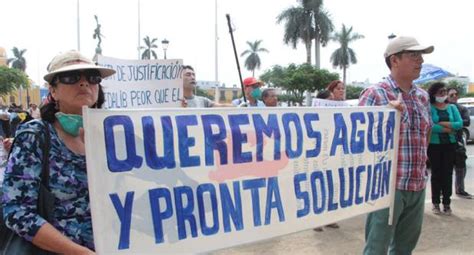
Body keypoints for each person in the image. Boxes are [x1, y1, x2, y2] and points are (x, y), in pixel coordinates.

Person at [2, 50, 115, 254]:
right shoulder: (35, 135)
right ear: (53, 91)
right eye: (70, 77)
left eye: (92, 77)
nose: (84, 83)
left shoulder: (114, 137)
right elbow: (17, 211)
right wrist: (79, 252)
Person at [358, 36, 434, 254]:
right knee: (376, 247)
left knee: (404, 248)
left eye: (421, 56)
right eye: (413, 55)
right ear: (395, 60)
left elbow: (426, 132)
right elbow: (358, 141)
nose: (420, 61)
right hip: (387, 186)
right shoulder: (375, 94)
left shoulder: (422, 96)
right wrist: (386, 122)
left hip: (417, 184)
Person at [428, 82, 462, 216]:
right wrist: (447, 129)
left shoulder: (452, 107)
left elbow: (459, 124)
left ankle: (447, 203)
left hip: (450, 145)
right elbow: (430, 125)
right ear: (433, 94)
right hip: (434, 145)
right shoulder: (429, 107)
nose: (443, 94)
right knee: (436, 174)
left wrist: (442, 124)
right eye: (439, 92)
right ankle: (435, 203)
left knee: (447, 173)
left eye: (444, 91)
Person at [447, 87, 472, 198]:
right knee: (444, 169)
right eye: (451, 94)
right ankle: (443, 195)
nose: (454, 96)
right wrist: (456, 123)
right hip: (443, 140)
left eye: (456, 94)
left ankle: (460, 189)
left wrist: (454, 123)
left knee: (461, 165)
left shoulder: (462, 108)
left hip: (458, 141)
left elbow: (466, 122)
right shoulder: (443, 108)